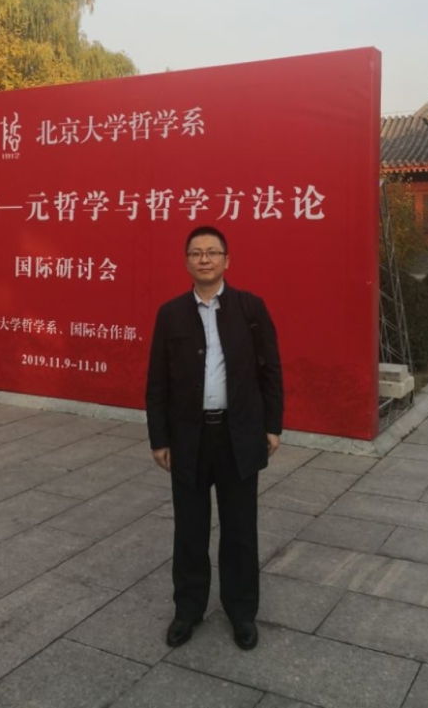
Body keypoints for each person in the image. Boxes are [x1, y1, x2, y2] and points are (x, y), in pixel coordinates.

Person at [145, 225, 284, 651]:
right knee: (190, 529)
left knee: (240, 529)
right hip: (188, 438)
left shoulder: (250, 308)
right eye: (196, 253)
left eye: (212, 252)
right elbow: (157, 382)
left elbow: (270, 371)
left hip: (237, 435)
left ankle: (241, 612)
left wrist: (272, 426)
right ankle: (188, 610)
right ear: (187, 262)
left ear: (227, 260)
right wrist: (159, 438)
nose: (204, 259)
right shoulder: (170, 314)